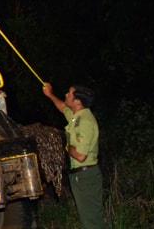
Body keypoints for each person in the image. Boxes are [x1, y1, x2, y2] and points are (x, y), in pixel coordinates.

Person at [42, 83, 106, 229]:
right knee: (88, 218)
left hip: (85, 176)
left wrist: (63, 143)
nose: (66, 95)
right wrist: (50, 94)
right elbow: (63, 108)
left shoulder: (84, 122)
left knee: (92, 221)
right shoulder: (77, 116)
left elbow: (80, 155)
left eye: (69, 94)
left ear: (77, 101)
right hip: (80, 175)